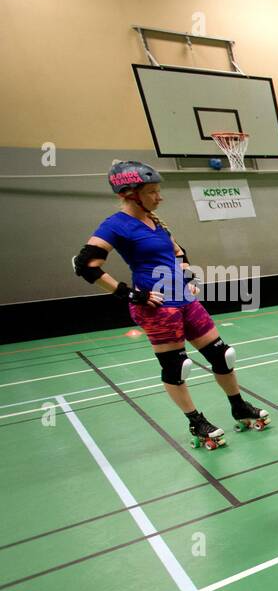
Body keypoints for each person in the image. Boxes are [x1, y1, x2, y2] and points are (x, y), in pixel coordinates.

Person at [73, 160, 267, 449]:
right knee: (178, 366)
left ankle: (238, 406)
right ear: (129, 194)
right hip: (157, 306)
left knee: (222, 355)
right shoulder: (116, 225)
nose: (159, 196)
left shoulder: (155, 222)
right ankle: (195, 420)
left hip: (185, 299)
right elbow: (86, 265)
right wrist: (131, 294)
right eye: (152, 191)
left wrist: (188, 277)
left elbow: (179, 252)